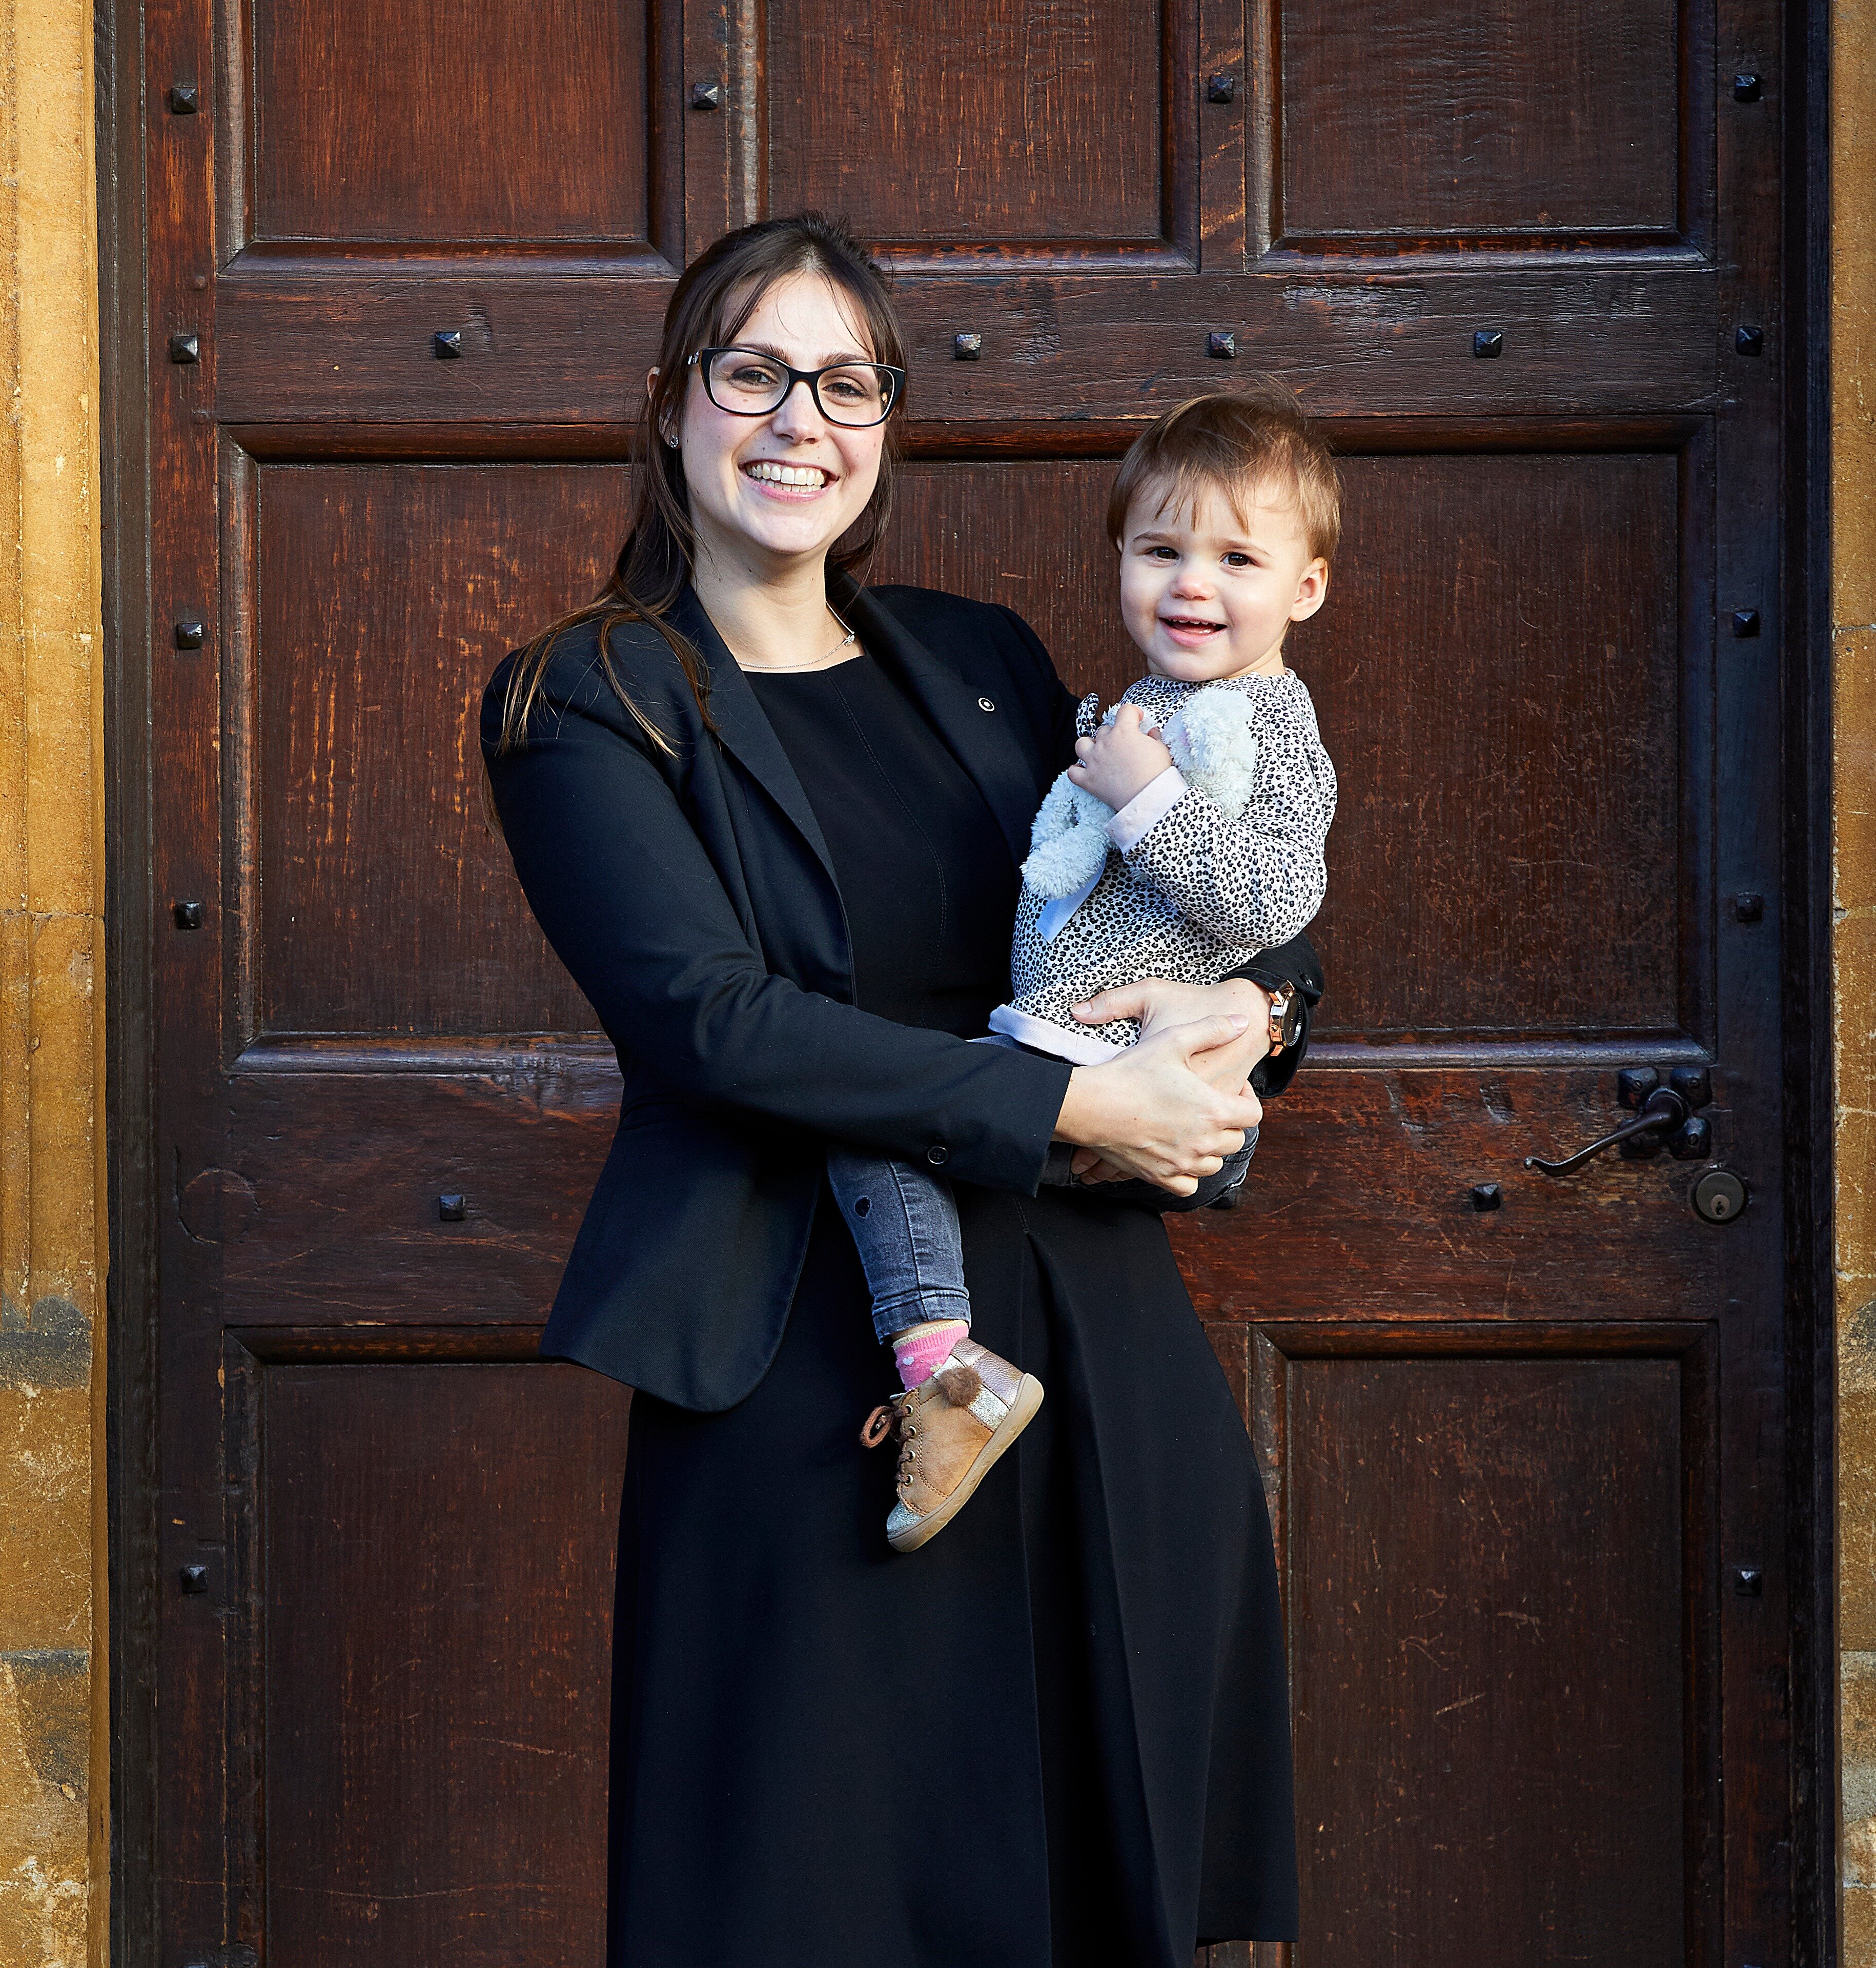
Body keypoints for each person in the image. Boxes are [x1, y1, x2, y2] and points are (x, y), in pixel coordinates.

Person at [479, 211, 1313, 1967]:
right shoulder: (588, 698)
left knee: (1099, 1880)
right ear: (669, 406)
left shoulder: (989, 655)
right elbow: (711, 1023)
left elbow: (1221, 889)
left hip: (1091, 1337)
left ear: (886, 423)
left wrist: (1244, 1036)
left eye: (846, 382)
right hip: (803, 1369)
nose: (800, 420)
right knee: (818, 1891)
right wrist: (1082, 1110)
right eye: (753, 371)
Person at [829, 387, 1340, 1554]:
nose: (1190, 584)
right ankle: (950, 1370)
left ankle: (942, 1372)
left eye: (1235, 558)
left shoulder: (1264, 726)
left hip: (1121, 1063)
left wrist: (1141, 798)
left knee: (877, 1121)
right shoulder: (1146, 706)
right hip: (1069, 1051)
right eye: (1159, 549)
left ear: (1304, 589)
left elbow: (1274, 901)